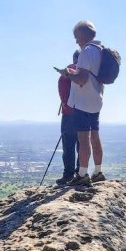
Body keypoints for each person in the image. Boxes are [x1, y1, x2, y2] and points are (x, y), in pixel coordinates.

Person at [58, 20, 105, 186]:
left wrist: (68, 74)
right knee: (95, 137)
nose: (76, 40)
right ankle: (98, 172)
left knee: (84, 140)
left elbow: (82, 79)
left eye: (76, 36)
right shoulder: (100, 50)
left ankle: (83, 175)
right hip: (96, 100)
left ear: (83, 35)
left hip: (83, 102)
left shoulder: (86, 52)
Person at [55, 50, 81, 186]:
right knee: (82, 146)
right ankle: (80, 173)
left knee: (68, 146)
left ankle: (68, 175)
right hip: (83, 114)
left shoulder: (67, 72)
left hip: (68, 115)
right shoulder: (82, 72)